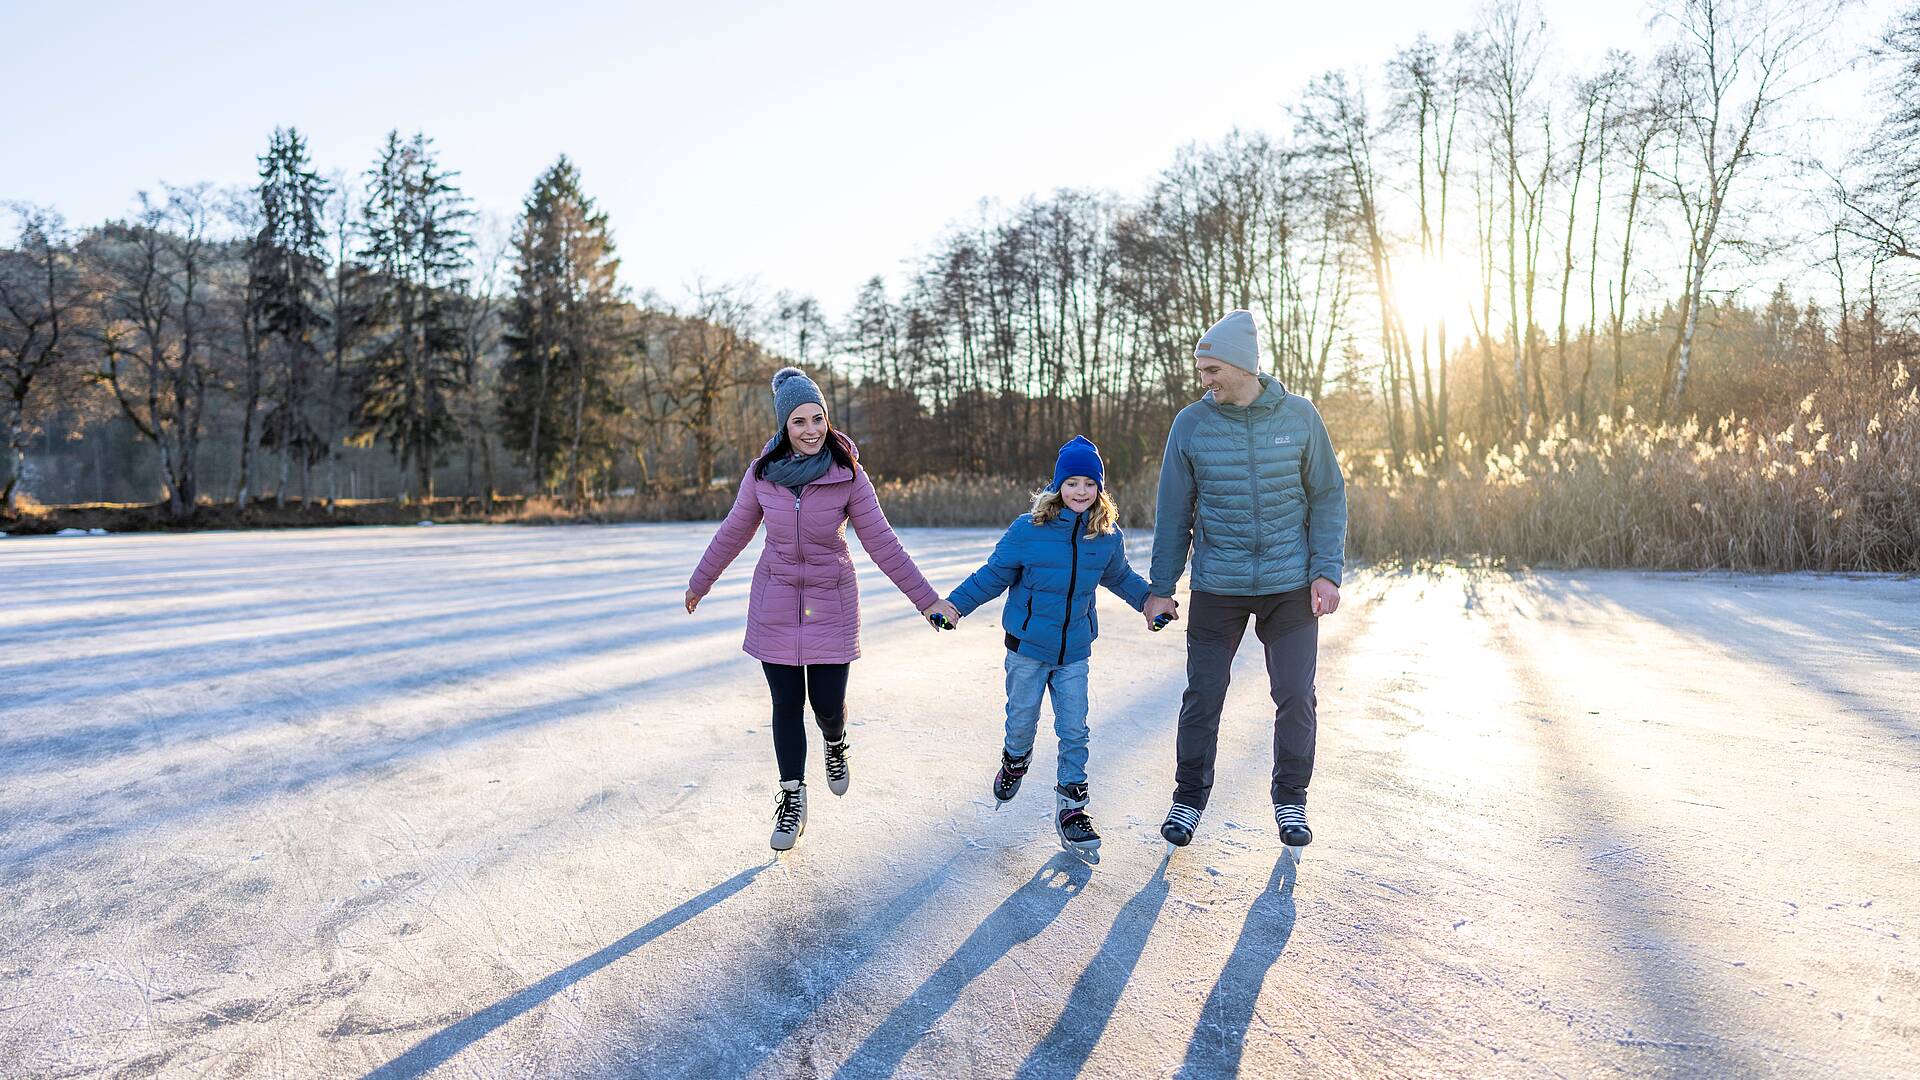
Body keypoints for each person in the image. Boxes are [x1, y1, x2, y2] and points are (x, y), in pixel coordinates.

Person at [686, 367, 961, 851]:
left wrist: (927, 600)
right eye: (799, 422)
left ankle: (835, 743)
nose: (811, 430)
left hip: (830, 601)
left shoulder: (847, 474)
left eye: (818, 418)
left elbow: (882, 542)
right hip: (775, 601)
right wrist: (700, 581)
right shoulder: (762, 473)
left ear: (827, 420)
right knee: (786, 704)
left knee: (827, 706)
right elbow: (734, 531)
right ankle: (793, 797)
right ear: (783, 427)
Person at [1142, 309, 1348, 850]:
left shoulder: (1301, 417)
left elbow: (1328, 496)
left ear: (1239, 366)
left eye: (1211, 369)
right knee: (1203, 694)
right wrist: (1161, 586)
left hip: (1289, 585)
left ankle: (1291, 800)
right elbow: (1174, 511)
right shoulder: (1191, 424)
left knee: (1295, 695)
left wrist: (1326, 572)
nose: (1204, 380)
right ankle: (1188, 799)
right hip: (1218, 586)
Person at [943, 436, 1152, 857]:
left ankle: (1073, 807)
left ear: (1100, 489)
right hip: (1027, 649)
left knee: (1075, 728)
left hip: (1074, 651)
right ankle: (1015, 761)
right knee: (1022, 720)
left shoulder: (1105, 536)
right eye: (1071, 482)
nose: (1080, 491)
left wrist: (1149, 603)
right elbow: (991, 576)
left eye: (1089, 483)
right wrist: (954, 606)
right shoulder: (1028, 530)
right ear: (1057, 487)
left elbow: (1122, 578)